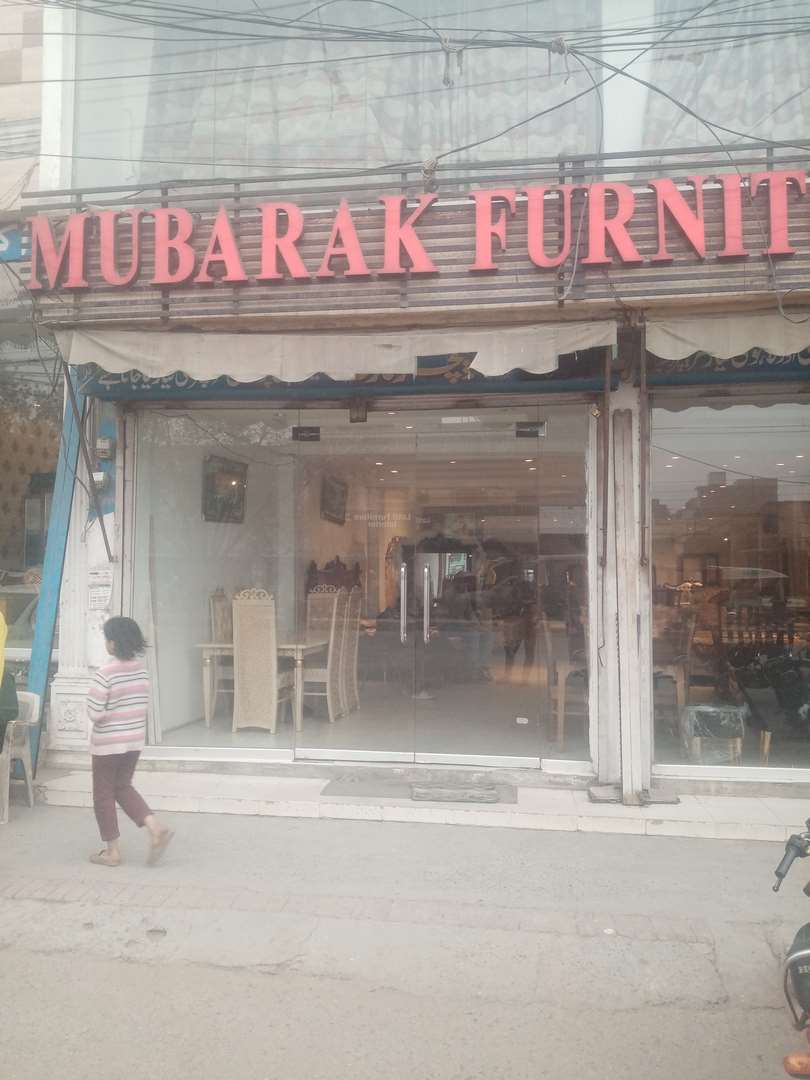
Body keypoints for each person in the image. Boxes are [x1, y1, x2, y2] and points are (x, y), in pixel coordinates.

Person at [86, 617, 173, 867]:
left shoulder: (105, 674)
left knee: (103, 794)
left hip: (108, 744)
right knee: (122, 786)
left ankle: (112, 852)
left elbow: (95, 712)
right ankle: (154, 826)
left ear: (113, 643)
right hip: (133, 742)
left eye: (107, 638)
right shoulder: (141, 671)